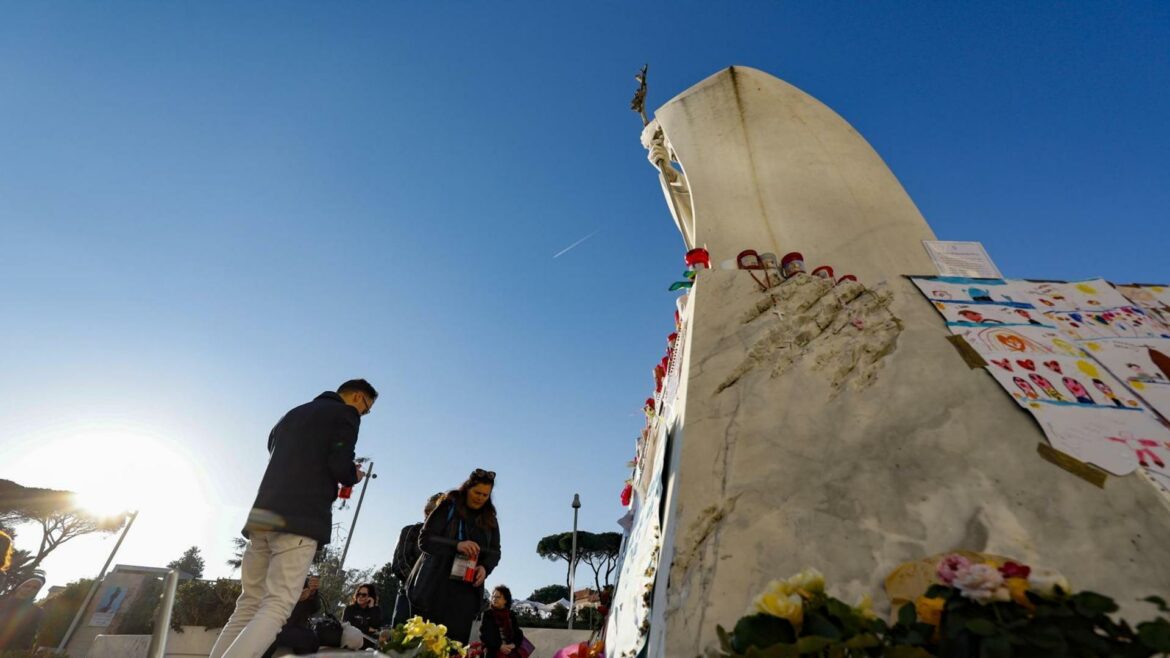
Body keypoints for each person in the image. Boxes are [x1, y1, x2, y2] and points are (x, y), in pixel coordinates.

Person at [210, 379, 378, 658]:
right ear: (358, 397)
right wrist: (354, 475)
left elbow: (280, 453)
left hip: (263, 517)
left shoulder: (291, 414)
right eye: (366, 408)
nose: (364, 414)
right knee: (276, 608)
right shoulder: (345, 414)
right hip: (300, 521)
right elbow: (339, 465)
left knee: (248, 604)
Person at [408, 469, 502, 644]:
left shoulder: (490, 518)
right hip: (435, 587)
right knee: (428, 645)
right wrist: (457, 545)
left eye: (485, 495)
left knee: (456, 646)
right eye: (477, 492)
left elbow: (496, 551)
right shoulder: (448, 506)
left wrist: (485, 567)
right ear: (467, 488)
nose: (480, 498)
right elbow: (425, 540)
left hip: (466, 592)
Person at [389, 492, 445, 626]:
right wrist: (419, 586)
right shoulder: (410, 531)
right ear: (427, 512)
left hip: (436, 604)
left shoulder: (450, 541)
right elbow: (399, 563)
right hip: (408, 598)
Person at [261, 576, 321, 658]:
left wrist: (313, 593)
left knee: (309, 642)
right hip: (276, 626)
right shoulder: (276, 579)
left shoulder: (306, 583)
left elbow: (315, 608)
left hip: (295, 629)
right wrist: (296, 599)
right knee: (271, 637)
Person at [479, 585, 526, 658]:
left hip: (510, 651)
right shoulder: (488, 614)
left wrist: (513, 645)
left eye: (498, 597)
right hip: (494, 652)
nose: (494, 599)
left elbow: (518, 633)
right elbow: (485, 635)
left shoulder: (511, 615)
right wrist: (499, 646)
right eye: (493, 597)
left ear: (505, 600)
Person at [0, 576, 46, 651]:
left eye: (35, 588)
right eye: (27, 586)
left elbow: (30, 635)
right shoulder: (2, 601)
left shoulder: (36, 612)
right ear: (19, 587)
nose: (30, 589)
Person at [342, 583, 382, 649]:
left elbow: (376, 626)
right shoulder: (349, 609)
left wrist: (371, 607)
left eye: (364, 595)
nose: (360, 596)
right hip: (352, 643)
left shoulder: (376, 610)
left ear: (370, 597)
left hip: (369, 645)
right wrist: (367, 628)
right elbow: (347, 626)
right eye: (358, 594)